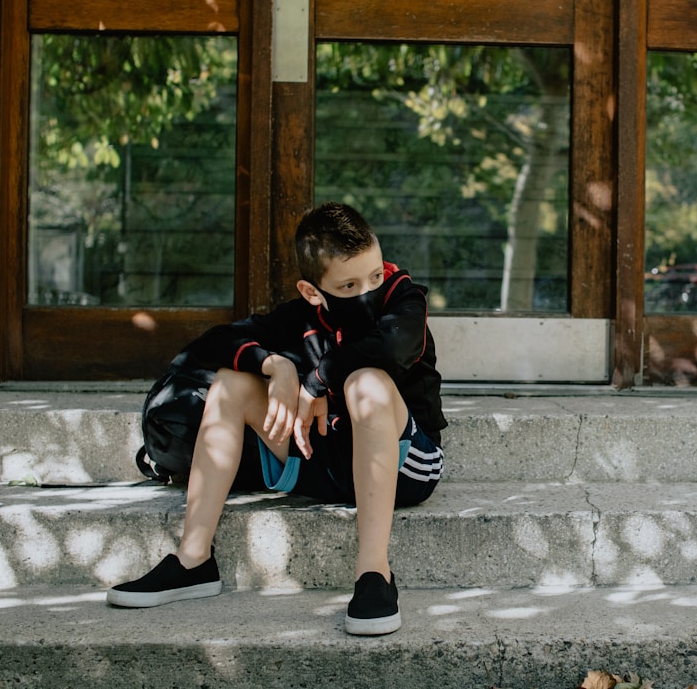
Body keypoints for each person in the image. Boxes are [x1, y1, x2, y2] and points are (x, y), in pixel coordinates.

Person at [106, 202, 447, 636]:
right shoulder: (298, 317)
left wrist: (316, 380)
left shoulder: (403, 295)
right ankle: (193, 560)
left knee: (366, 382)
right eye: (349, 284)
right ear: (312, 291)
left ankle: (374, 574)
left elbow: (395, 345)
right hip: (322, 458)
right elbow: (200, 350)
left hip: (404, 465)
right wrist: (273, 365)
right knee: (230, 382)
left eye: (374, 276)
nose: (369, 290)